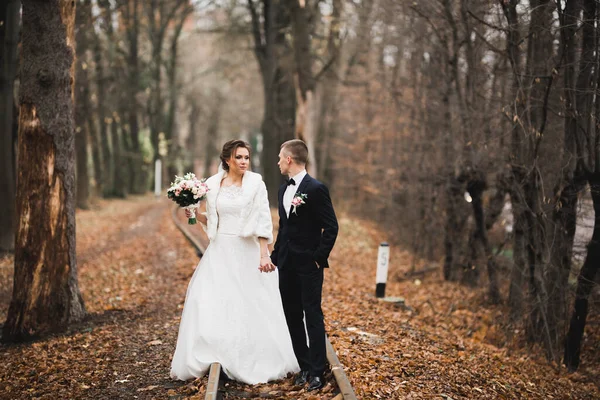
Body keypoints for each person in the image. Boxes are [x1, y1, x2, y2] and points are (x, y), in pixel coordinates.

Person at [170, 140, 299, 384]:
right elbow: (212, 219)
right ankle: (216, 351)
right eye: (239, 157)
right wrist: (194, 213)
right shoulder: (211, 183)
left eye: (246, 157)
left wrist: (264, 254)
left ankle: (253, 355)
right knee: (212, 300)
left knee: (251, 301)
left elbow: (262, 219)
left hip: (246, 249)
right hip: (220, 250)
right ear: (227, 159)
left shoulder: (255, 183)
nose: (243, 162)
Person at [271, 139, 339, 392]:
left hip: (309, 265)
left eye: (280, 157)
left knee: (312, 315)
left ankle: (318, 372)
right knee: (291, 316)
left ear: (289, 159)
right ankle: (304, 367)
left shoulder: (316, 188)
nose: (277, 161)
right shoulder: (282, 190)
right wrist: (275, 257)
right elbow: (284, 228)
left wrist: (318, 257)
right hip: (286, 264)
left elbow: (331, 227)